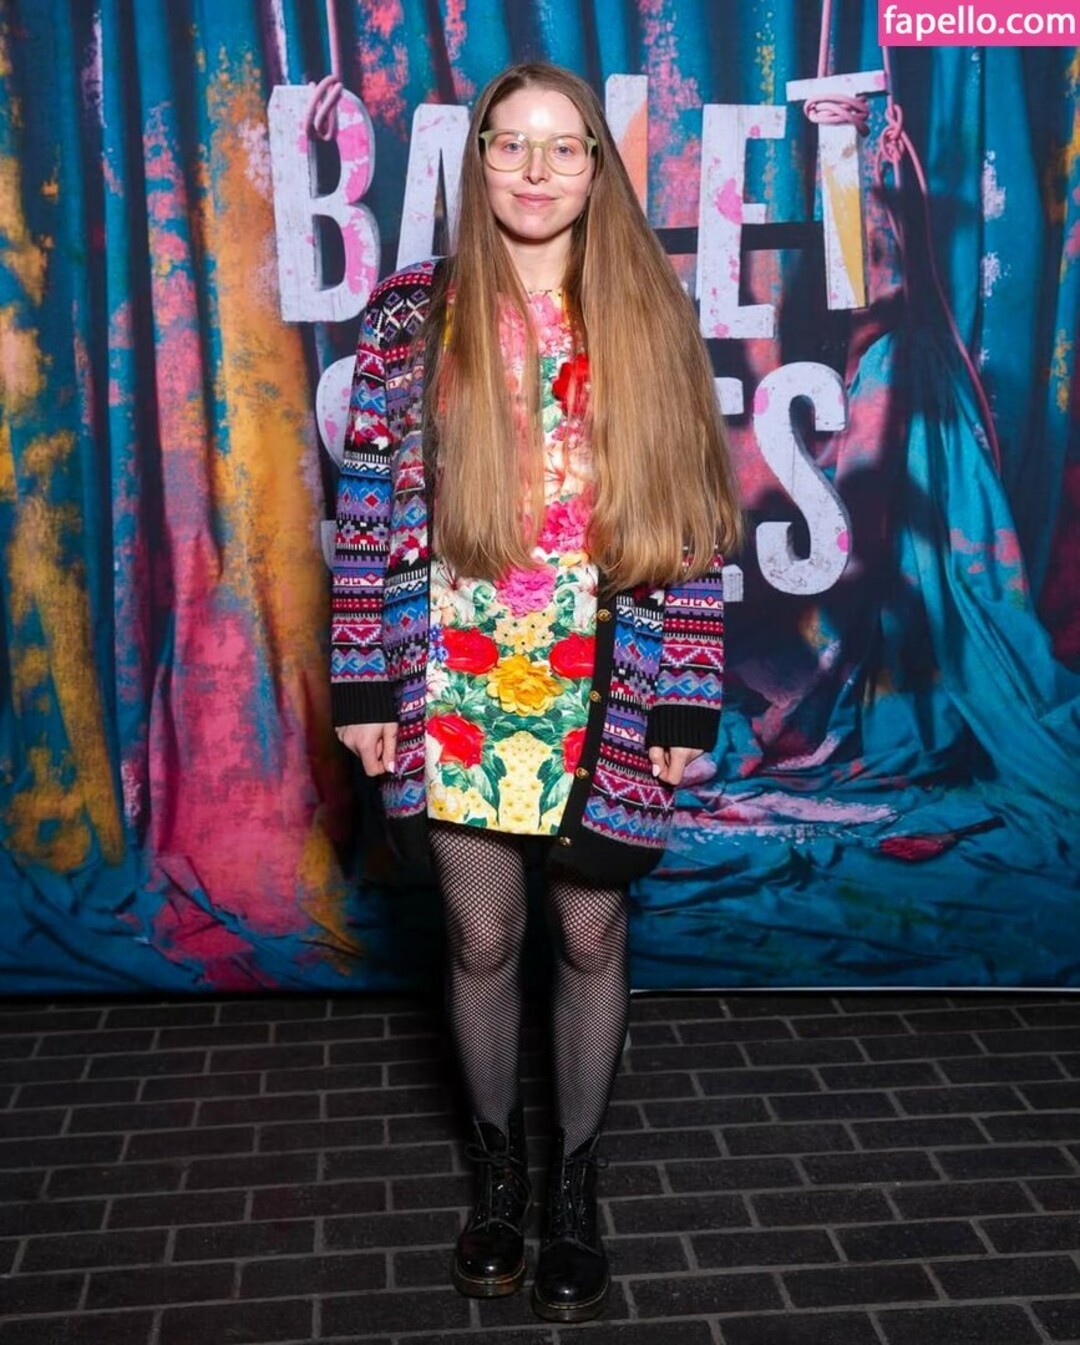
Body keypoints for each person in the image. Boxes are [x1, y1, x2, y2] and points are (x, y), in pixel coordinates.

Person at [331, 61, 741, 1324]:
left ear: (598, 168)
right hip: (450, 680)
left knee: (591, 933)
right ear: (477, 161)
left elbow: (689, 519)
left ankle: (576, 1185)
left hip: (606, 681)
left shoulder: (650, 313)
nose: (535, 171)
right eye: (509, 144)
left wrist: (685, 695)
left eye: (564, 147)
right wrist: (362, 679)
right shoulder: (410, 315)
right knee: (480, 937)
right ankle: (498, 1173)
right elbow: (365, 510)